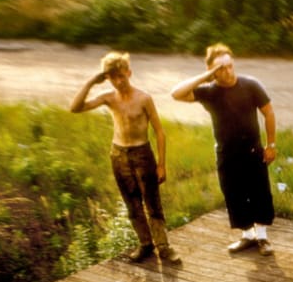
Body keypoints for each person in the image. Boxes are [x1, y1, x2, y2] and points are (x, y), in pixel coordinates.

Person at [70, 51, 182, 265]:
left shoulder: (144, 98)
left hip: (142, 153)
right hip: (119, 154)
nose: (118, 81)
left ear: (129, 73)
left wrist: (161, 164)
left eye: (121, 76)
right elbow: (75, 108)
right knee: (132, 204)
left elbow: (160, 131)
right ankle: (145, 244)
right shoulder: (108, 98)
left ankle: (164, 247)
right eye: (113, 77)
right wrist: (92, 82)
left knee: (152, 204)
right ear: (107, 78)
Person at [171, 43, 278, 255]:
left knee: (259, 192)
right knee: (233, 194)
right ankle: (247, 236)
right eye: (221, 68)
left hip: (253, 151)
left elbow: (269, 113)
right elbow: (176, 93)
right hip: (226, 153)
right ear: (212, 70)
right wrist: (206, 76)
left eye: (230, 65)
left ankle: (263, 238)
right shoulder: (209, 92)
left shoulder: (250, 85)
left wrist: (271, 144)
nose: (227, 71)